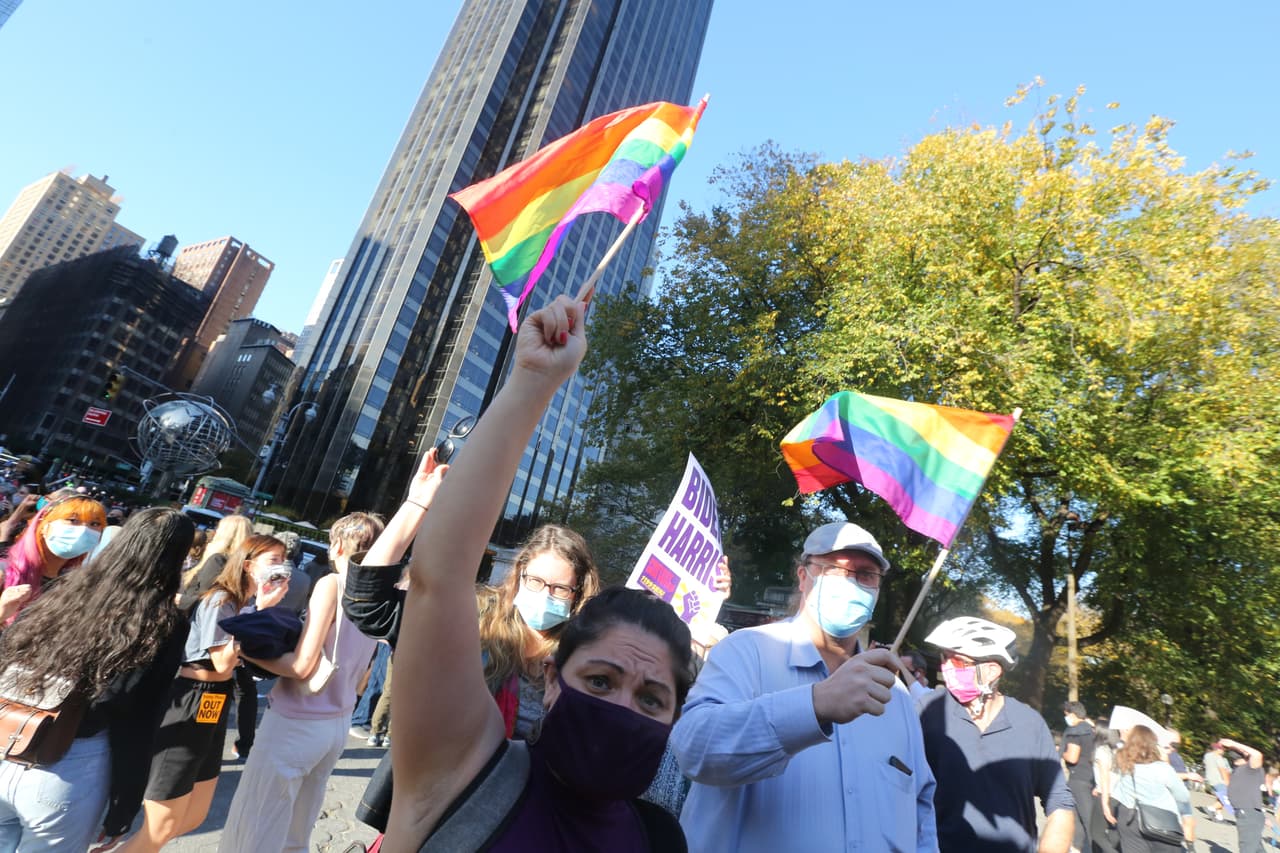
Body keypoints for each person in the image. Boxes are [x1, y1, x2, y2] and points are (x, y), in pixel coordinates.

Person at [383, 296, 693, 851]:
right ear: (552, 678)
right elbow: (440, 575)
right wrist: (533, 380)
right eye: (600, 681)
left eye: (651, 699)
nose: (621, 709)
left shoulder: (660, 839)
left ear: (674, 717)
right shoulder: (462, 771)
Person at [672, 520, 937, 852]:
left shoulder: (894, 695)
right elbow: (693, 749)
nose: (853, 584)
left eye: (866, 575)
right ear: (803, 576)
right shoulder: (746, 650)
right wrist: (814, 706)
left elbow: (921, 815)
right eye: (837, 571)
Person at [0, 508, 195, 851]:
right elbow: (138, 719)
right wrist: (125, 804)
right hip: (72, 763)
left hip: (10, 741)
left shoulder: (65, 590)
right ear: (177, 557)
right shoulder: (163, 621)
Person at [217, 512, 384, 853]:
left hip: (297, 720)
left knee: (257, 825)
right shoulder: (377, 596)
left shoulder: (333, 584)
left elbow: (302, 665)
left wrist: (246, 652)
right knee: (296, 833)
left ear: (337, 544)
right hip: (336, 723)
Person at [118, 535, 290, 853]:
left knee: (193, 816)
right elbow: (224, 664)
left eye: (283, 558)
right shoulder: (220, 599)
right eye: (273, 559)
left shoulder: (242, 603)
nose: (282, 566)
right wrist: (263, 611)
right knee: (163, 825)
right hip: (191, 697)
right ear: (248, 564)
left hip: (216, 699)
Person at [918, 616, 1074, 852]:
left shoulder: (1030, 723)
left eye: (958, 661)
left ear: (992, 670)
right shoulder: (927, 710)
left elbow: (1059, 803)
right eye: (945, 658)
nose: (946, 667)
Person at [0, 493, 106, 622]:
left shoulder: (73, 587)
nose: (84, 530)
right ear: (45, 525)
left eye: (94, 524)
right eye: (72, 520)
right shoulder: (5, 572)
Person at [1101, 724, 1194, 851]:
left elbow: (1117, 794)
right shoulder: (1163, 769)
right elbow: (1183, 796)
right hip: (1162, 823)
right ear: (1153, 744)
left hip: (1130, 820)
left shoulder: (1126, 767)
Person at [176, 514, 253, 610]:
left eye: (218, 529)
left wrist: (180, 599)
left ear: (224, 534)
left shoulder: (218, 560)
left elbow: (203, 597)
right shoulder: (245, 565)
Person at [1221, 737, 1266, 852]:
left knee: (1247, 848)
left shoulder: (1251, 768)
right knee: (1256, 849)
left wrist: (1233, 744)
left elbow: (1257, 754)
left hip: (1248, 812)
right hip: (1248, 813)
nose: (1234, 761)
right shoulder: (1242, 769)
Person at [1062, 700, 1096, 852]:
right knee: (1083, 819)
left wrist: (1061, 752)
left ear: (1073, 715)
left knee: (1083, 821)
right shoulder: (1091, 729)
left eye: (1067, 715)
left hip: (1078, 779)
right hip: (1090, 777)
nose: (1066, 718)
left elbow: (1072, 757)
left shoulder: (1075, 731)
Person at [1203, 740, 1234, 822]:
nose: (1224, 751)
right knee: (1226, 799)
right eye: (1223, 749)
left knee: (1220, 797)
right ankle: (1211, 808)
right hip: (1219, 781)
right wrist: (1227, 783)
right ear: (1218, 749)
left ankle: (1219, 816)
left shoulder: (1207, 756)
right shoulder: (1219, 758)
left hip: (1210, 780)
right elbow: (1223, 771)